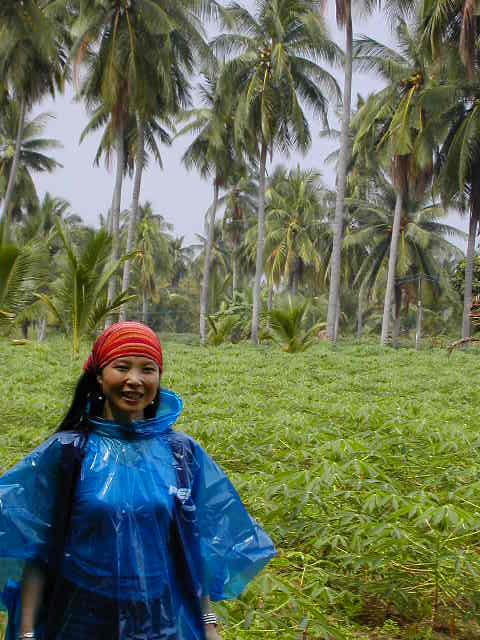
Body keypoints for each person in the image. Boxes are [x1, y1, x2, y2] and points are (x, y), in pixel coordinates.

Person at [0, 322, 276, 640]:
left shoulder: (181, 453)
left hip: (159, 620)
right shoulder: (67, 452)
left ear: (158, 379)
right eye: (121, 367)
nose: (134, 380)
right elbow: (36, 548)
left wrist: (208, 623)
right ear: (100, 378)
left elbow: (193, 546)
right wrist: (26, 633)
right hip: (80, 618)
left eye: (148, 369)